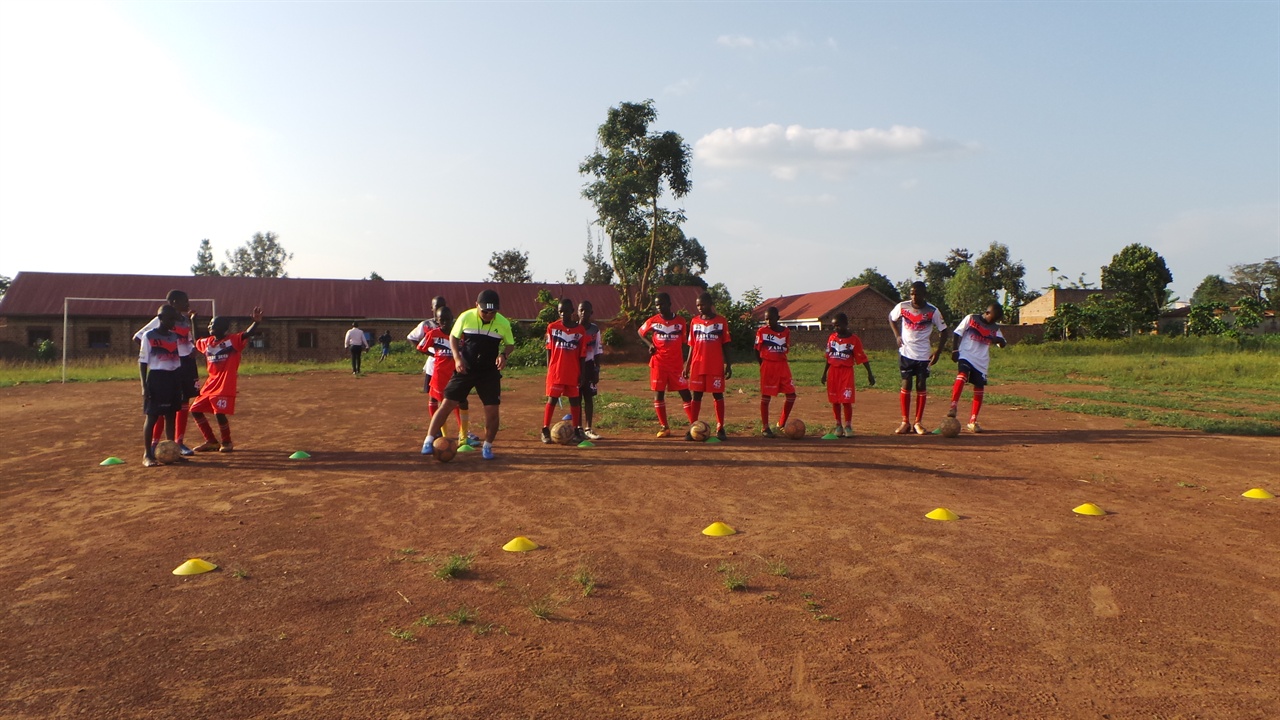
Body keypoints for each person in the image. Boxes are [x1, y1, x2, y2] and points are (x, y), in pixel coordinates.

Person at [420, 289, 514, 461]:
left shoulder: (503, 323)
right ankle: (428, 440)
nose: (488, 314)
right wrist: (457, 359)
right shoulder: (466, 317)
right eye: (485, 311)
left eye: (492, 312)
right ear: (477, 305)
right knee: (447, 404)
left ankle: (488, 446)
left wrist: (503, 355)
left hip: (488, 372)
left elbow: (510, 344)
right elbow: (454, 338)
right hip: (466, 368)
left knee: (492, 411)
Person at [133, 289, 200, 455]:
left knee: (180, 404)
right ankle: (154, 444)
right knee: (159, 409)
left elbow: (189, 341)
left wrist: (192, 348)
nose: (188, 304)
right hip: (162, 369)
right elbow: (138, 338)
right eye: (185, 301)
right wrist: (156, 353)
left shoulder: (184, 320)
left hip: (182, 365)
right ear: (174, 303)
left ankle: (178, 443)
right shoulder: (160, 320)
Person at [190, 307, 264, 452]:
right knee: (195, 409)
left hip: (224, 383)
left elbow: (248, 333)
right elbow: (196, 339)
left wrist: (256, 322)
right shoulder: (208, 342)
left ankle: (227, 442)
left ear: (224, 328)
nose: (210, 326)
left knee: (219, 412)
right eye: (210, 324)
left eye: (214, 324)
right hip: (210, 383)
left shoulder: (232, 341)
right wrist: (193, 320)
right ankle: (211, 441)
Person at [888, 281, 949, 435]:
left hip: (923, 355)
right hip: (906, 353)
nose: (914, 296)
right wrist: (897, 336)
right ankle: (905, 422)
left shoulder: (932, 311)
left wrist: (938, 352)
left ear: (924, 295)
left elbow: (944, 331)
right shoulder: (903, 307)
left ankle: (918, 423)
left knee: (921, 385)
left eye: (918, 293)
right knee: (906, 384)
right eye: (912, 293)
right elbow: (891, 318)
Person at [416, 305, 478, 447]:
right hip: (439, 375)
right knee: (442, 406)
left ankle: (463, 436)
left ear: (452, 319)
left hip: (457, 375)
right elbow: (421, 347)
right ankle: (443, 437)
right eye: (441, 320)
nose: (445, 322)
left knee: (462, 403)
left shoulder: (460, 334)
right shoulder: (433, 334)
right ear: (437, 321)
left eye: (447, 319)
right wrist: (434, 354)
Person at [638, 292, 693, 438]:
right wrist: (649, 344)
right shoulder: (653, 321)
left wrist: (687, 363)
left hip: (676, 365)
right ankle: (664, 427)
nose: (659, 307)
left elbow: (685, 343)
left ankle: (694, 424)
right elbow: (640, 332)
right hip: (658, 363)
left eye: (661, 303)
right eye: (657, 304)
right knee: (659, 394)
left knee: (686, 393)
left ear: (669, 304)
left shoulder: (680, 322)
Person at [948, 303, 1007, 433]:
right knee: (962, 375)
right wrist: (954, 350)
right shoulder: (971, 319)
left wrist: (998, 340)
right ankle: (953, 406)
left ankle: (973, 421)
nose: (994, 321)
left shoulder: (995, 328)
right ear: (987, 313)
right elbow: (957, 333)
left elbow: (1002, 343)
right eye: (993, 318)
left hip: (981, 361)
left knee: (979, 387)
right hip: (966, 354)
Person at [138, 305, 185, 467]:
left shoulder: (173, 337)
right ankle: (147, 454)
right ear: (161, 318)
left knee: (171, 415)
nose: (173, 322)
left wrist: (179, 383)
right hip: (157, 378)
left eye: (175, 319)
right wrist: (144, 386)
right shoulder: (149, 336)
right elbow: (143, 362)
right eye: (170, 319)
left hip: (173, 378)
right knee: (152, 416)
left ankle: (172, 450)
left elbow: (177, 360)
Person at [683, 292, 733, 441]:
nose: (700, 308)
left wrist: (728, 364)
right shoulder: (694, 322)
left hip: (715, 365)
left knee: (717, 395)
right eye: (698, 305)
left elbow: (726, 344)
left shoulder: (721, 321)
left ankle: (720, 427)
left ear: (710, 304)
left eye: (702, 304)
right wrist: (687, 364)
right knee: (696, 395)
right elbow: (691, 345)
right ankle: (693, 427)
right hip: (698, 365)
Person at [820, 312, 876, 438]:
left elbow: (863, 358)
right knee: (835, 400)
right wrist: (824, 374)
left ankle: (848, 426)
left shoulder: (854, 340)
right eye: (834, 326)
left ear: (846, 324)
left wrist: (870, 374)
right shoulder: (832, 338)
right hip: (833, 372)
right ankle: (838, 425)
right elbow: (828, 357)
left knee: (846, 400)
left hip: (846, 372)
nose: (836, 329)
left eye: (838, 326)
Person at [540, 298, 588, 444]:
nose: (563, 314)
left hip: (573, 372)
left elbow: (582, 355)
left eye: (566, 311)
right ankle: (545, 429)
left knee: (574, 401)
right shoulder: (552, 327)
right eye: (560, 311)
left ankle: (575, 430)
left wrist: (582, 373)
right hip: (556, 371)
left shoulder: (580, 331)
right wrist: (550, 369)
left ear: (572, 312)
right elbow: (549, 350)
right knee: (552, 399)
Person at [753, 306, 797, 438]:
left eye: (770, 319)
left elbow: (785, 348)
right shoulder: (761, 332)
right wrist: (762, 364)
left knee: (791, 395)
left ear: (778, 318)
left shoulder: (786, 331)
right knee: (766, 396)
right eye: (766, 319)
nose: (768, 322)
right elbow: (756, 349)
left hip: (782, 366)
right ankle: (765, 427)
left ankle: (781, 423)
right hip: (768, 365)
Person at [407, 296, 447, 392]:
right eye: (437, 306)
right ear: (432, 308)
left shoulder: (452, 324)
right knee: (432, 392)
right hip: (433, 363)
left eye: (443, 306)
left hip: (448, 363)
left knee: (448, 392)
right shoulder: (426, 325)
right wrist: (429, 353)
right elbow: (411, 337)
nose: (440, 309)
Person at [578, 300, 604, 441]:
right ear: (577, 312)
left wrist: (596, 369)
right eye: (581, 310)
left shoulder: (595, 329)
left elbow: (598, 350)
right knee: (575, 398)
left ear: (591, 313)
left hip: (588, 366)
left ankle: (588, 428)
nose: (583, 313)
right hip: (575, 367)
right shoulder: (574, 328)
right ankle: (578, 429)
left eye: (586, 311)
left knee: (588, 397)